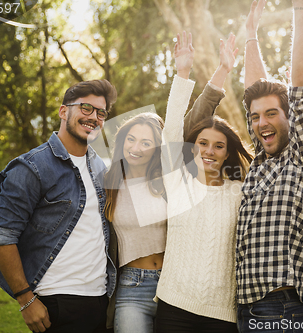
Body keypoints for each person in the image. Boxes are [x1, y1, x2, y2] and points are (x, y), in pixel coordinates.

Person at [103, 33, 231, 333]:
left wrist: (211, 71)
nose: (136, 146)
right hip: (131, 287)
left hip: (176, 286)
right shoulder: (107, 183)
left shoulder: (170, 177)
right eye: (131, 139)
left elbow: (197, 116)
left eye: (146, 141)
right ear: (121, 142)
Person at [235, 0, 303, 332]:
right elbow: (255, 93)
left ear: (291, 116)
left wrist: (301, 9)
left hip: (279, 310)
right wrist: (251, 36)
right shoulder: (263, 159)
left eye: (272, 114)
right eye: (255, 118)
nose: (261, 123)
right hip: (247, 306)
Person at [0, 80, 118, 333]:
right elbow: (2, 238)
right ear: (63, 111)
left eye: (101, 113)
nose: (94, 117)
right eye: (86, 108)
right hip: (58, 300)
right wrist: (26, 299)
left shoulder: (100, 167)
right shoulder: (31, 168)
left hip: (101, 297)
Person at [154, 32, 253, 333]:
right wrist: (183, 71)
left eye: (218, 146)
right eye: (202, 143)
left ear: (227, 153)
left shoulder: (239, 193)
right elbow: (171, 128)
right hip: (173, 306)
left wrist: (227, 67)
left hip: (221, 314)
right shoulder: (177, 180)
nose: (209, 151)